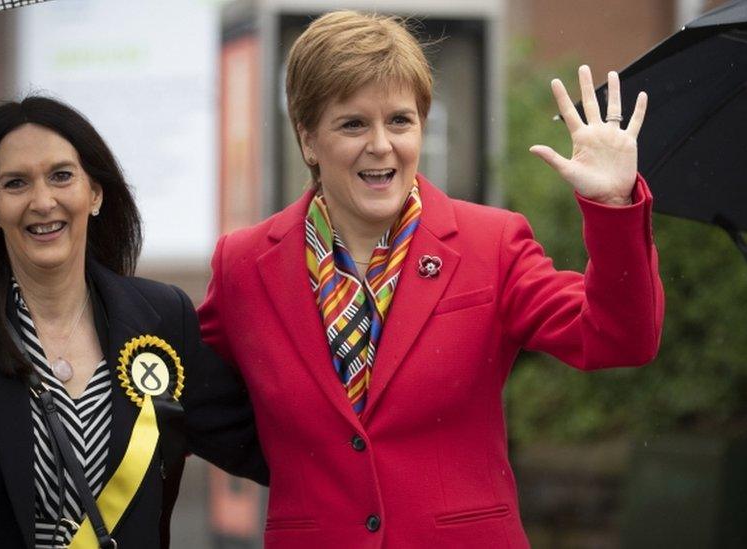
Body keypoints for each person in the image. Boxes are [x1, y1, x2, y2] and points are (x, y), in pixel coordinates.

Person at [197, 10, 663, 548]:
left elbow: (619, 338)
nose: (381, 145)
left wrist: (612, 207)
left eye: (400, 120)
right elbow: (194, 402)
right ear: (307, 139)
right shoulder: (244, 265)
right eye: (353, 124)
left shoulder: (492, 243)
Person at [0, 96, 266, 549]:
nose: (43, 202)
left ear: (95, 193)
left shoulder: (161, 316)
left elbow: (259, 442)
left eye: (61, 176)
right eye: (16, 183)